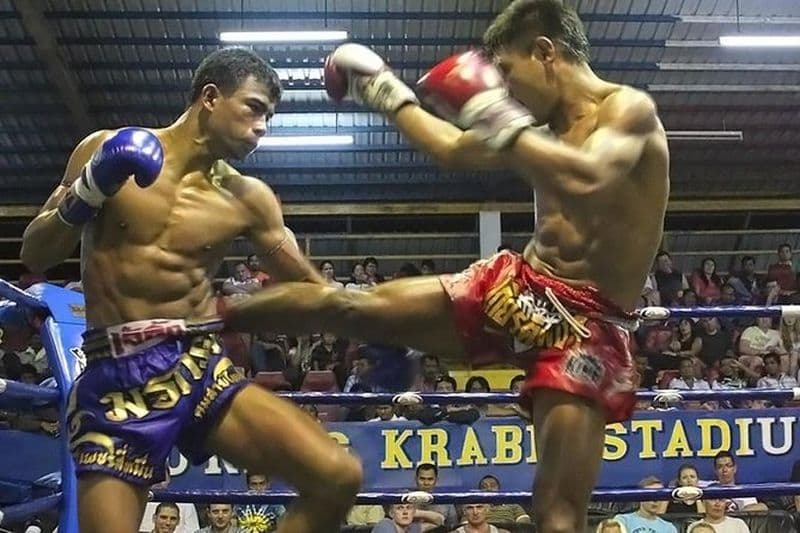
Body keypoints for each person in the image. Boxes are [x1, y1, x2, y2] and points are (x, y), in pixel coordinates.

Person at [224, 1, 669, 532]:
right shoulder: (535, 126)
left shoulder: (629, 110)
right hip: (520, 287)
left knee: (556, 513)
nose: (504, 88)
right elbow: (454, 148)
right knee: (350, 306)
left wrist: (494, 112)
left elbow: (587, 176)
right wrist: (383, 90)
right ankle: (204, 320)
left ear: (545, 52)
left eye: (508, 73)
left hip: (585, 327)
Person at [20, 48, 362, 533]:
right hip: (116, 377)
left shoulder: (248, 198)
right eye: (254, 108)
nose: (262, 127)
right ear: (211, 97)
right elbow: (35, 254)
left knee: (336, 476)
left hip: (198, 366)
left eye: (269, 116)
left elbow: (312, 288)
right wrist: (89, 189)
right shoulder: (104, 146)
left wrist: (379, 316)